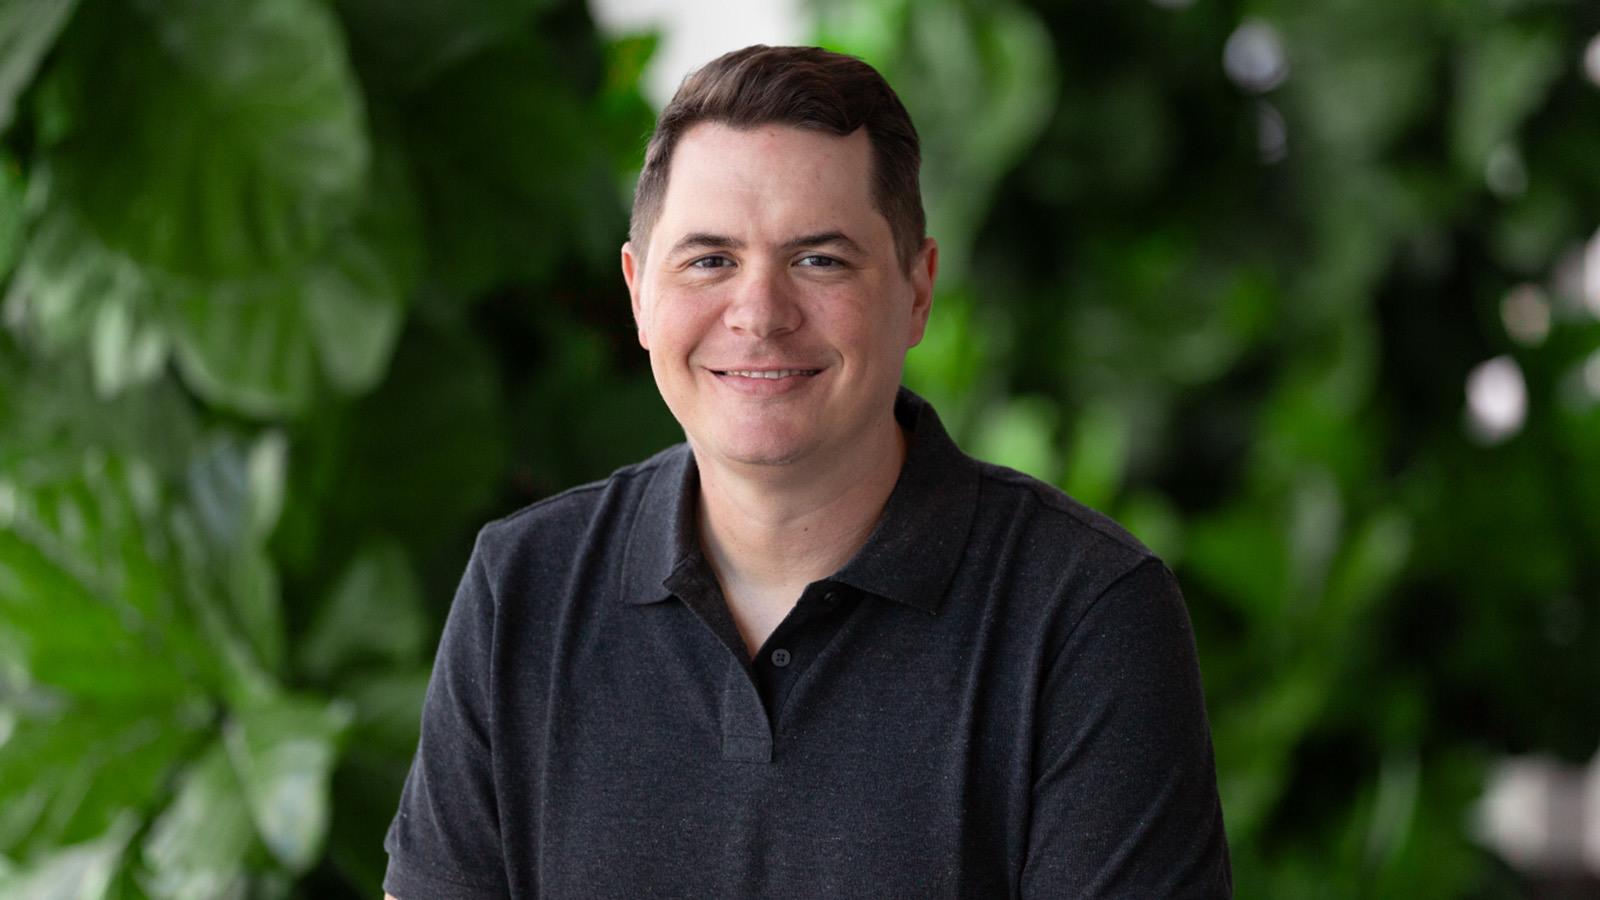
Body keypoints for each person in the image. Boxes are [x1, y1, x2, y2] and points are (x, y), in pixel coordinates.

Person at [383, 44, 1230, 898]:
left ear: (918, 289)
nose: (759, 314)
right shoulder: (522, 589)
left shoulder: (1084, 612)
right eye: (710, 260)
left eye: (819, 259)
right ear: (639, 293)